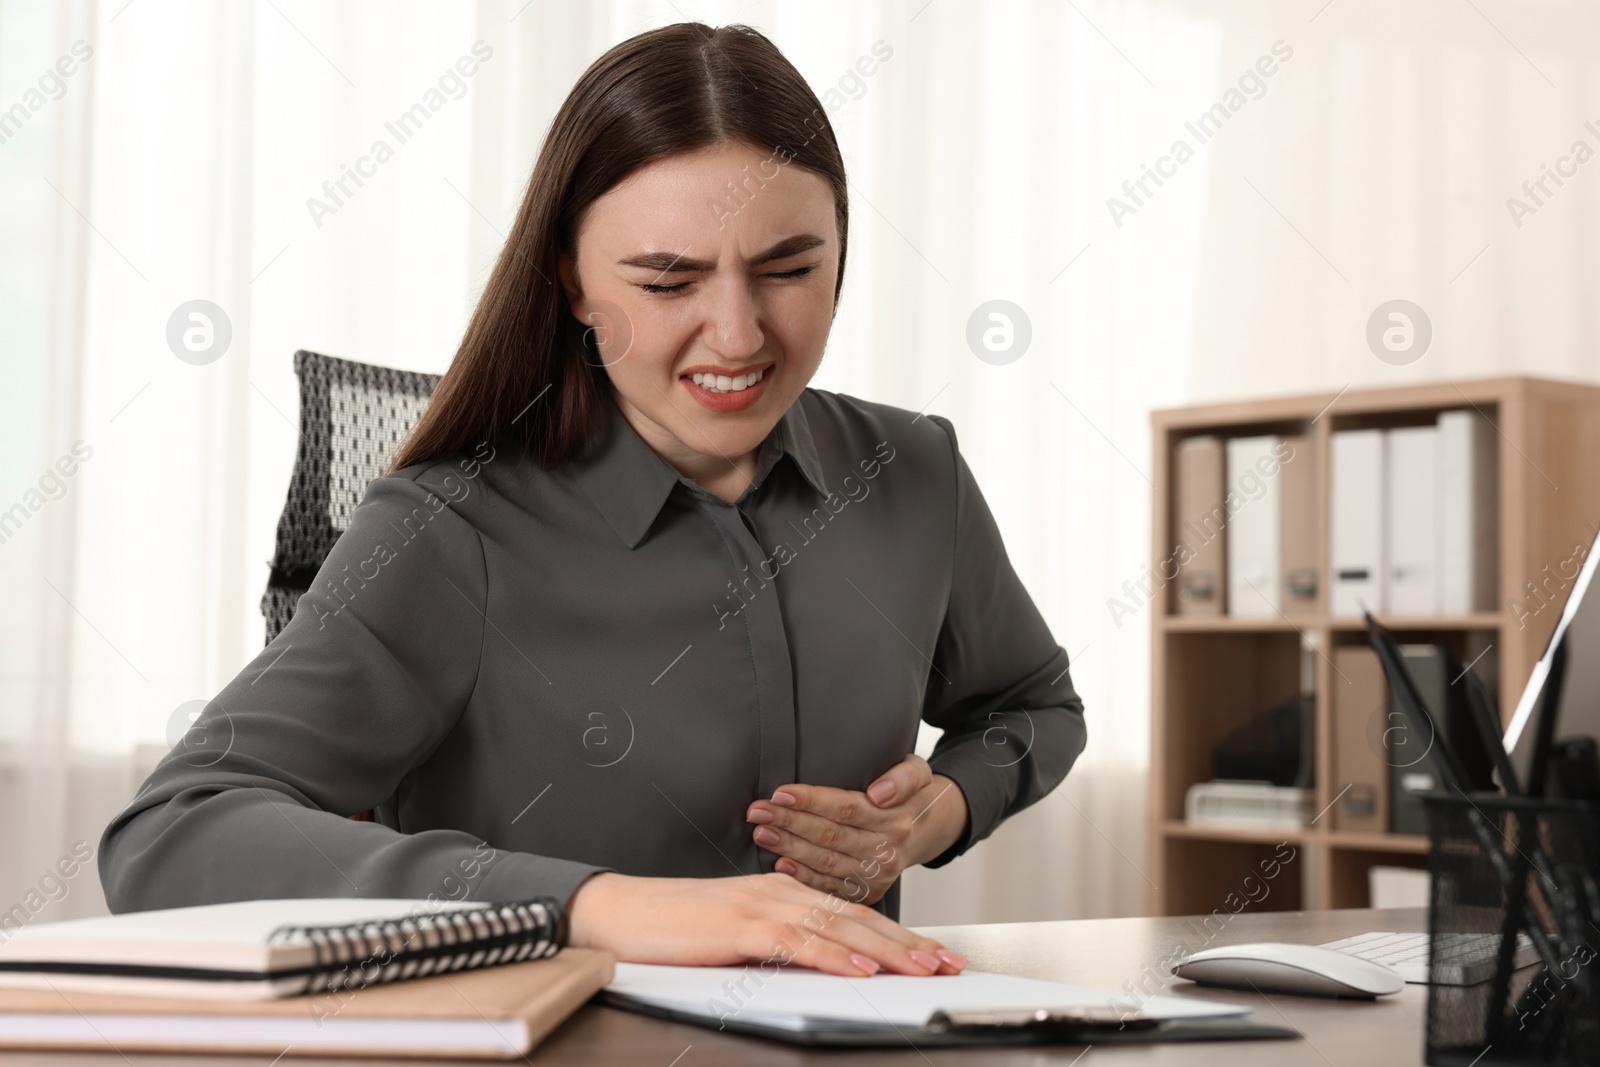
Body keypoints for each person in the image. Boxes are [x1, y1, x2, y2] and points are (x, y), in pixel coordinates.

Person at [99, 21, 1086, 980]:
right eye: (667, 281)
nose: (737, 335)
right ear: (570, 279)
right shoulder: (452, 528)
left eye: (789, 268)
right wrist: (604, 905)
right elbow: (171, 832)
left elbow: (1033, 702)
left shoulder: (913, 472)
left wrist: (946, 802)